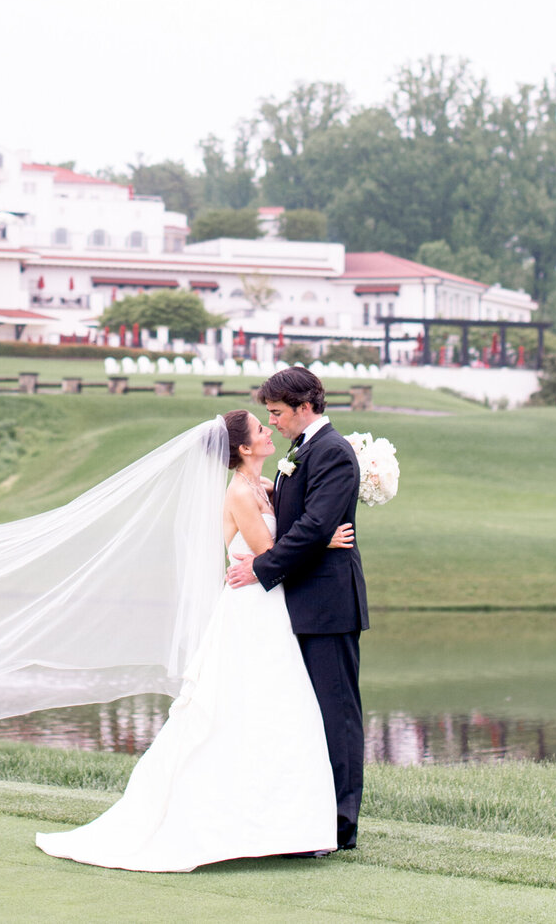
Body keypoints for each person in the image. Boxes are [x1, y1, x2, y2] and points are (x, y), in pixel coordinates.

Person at [35, 409, 353, 871]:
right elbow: (270, 551)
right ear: (244, 447)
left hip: (269, 609)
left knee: (276, 709)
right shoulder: (240, 493)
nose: (270, 432)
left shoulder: (265, 486)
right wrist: (325, 541)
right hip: (251, 611)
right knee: (251, 708)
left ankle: (284, 822)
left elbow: (290, 520)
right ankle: (244, 820)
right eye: (262, 430)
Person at [226, 366, 368, 851]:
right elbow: (304, 524)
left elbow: (312, 526)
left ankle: (341, 826)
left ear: (304, 406)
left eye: (278, 413)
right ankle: (307, 817)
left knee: (337, 715)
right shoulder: (302, 452)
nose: (275, 422)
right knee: (306, 716)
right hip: (300, 602)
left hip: (328, 605)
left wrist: (261, 568)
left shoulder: (333, 453)